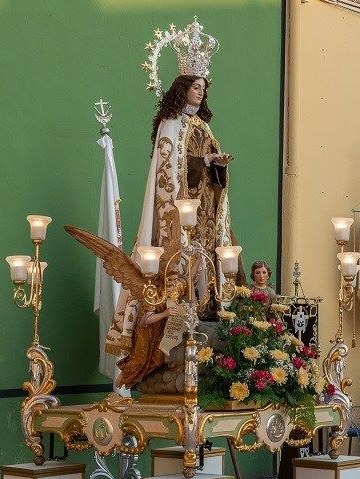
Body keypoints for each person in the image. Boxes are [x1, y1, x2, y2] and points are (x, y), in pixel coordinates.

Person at [103, 18, 244, 388]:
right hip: (180, 212)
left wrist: (217, 166)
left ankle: (207, 306)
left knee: (207, 259)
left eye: (203, 88)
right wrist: (203, 162)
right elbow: (170, 172)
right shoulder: (171, 124)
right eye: (196, 87)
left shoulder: (204, 127)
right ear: (183, 88)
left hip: (204, 212)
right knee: (182, 263)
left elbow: (207, 168)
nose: (200, 93)